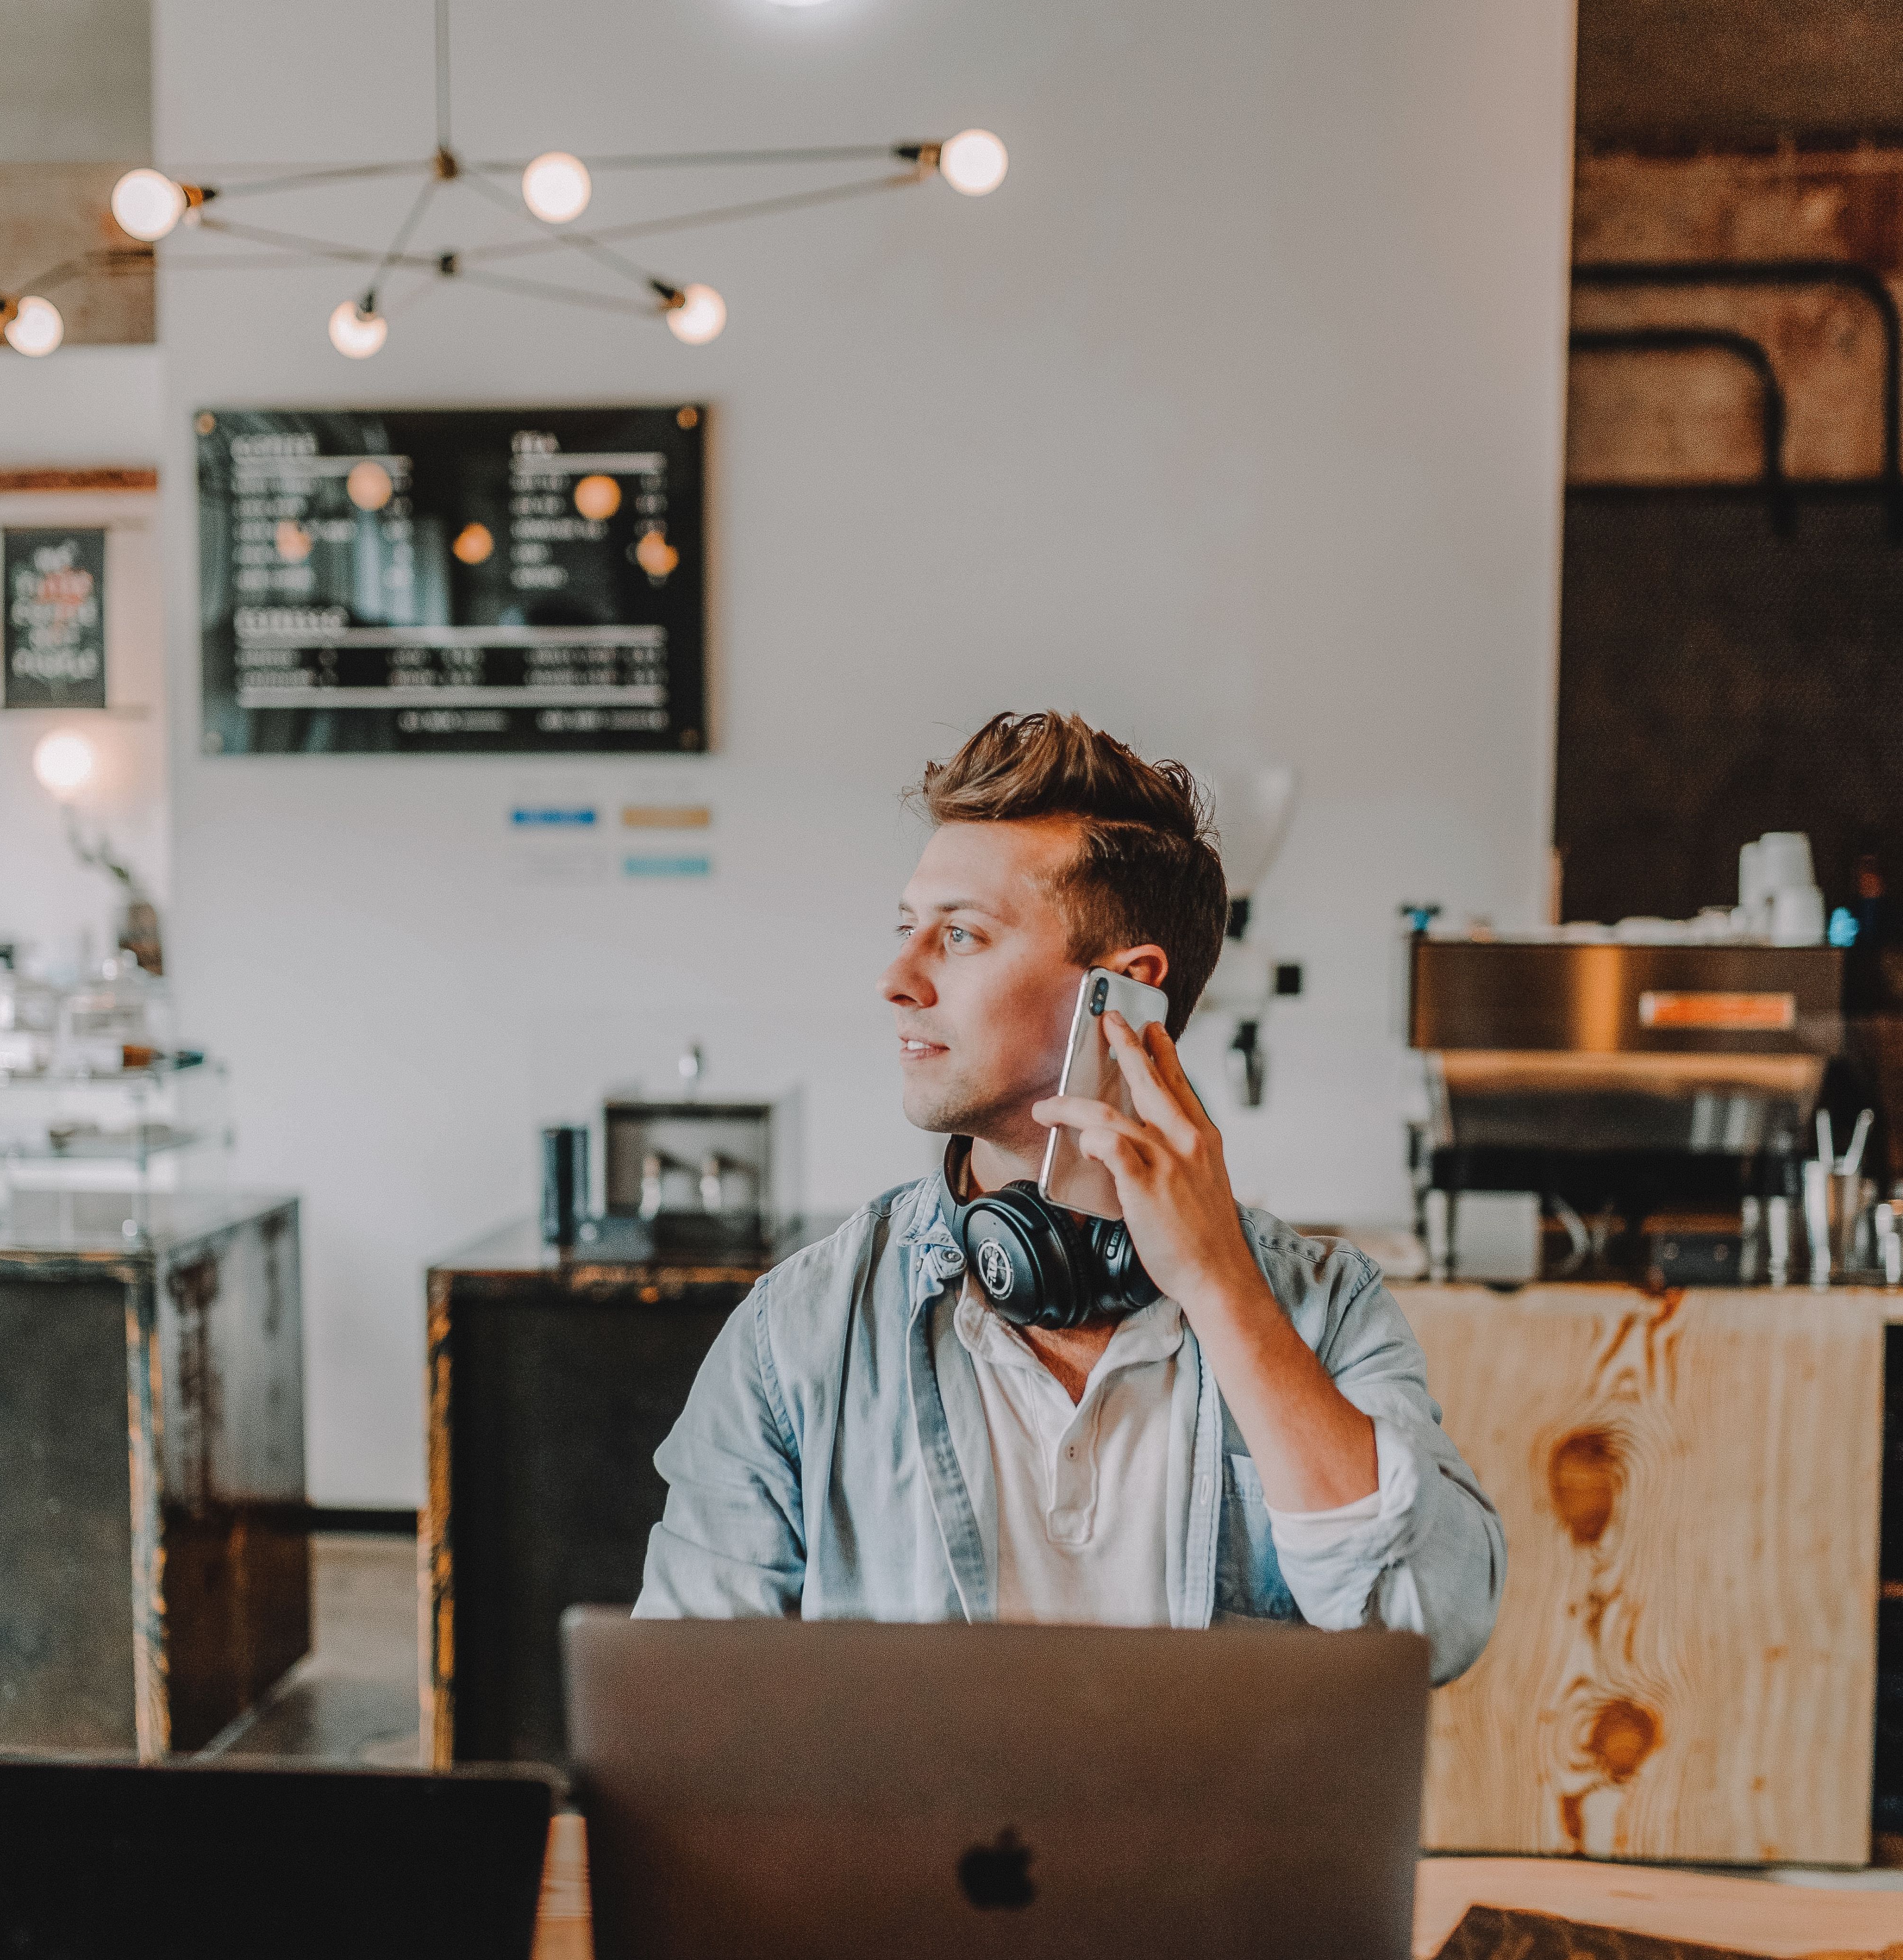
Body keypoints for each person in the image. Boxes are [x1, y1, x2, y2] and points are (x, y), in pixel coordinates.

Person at [636, 711, 1503, 1678]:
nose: (896, 979)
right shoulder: (797, 1334)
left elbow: (1431, 1628)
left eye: (959, 935)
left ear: (1122, 992)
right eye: (907, 929)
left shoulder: (1324, 1309)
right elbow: (686, 1697)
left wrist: (1222, 1289)